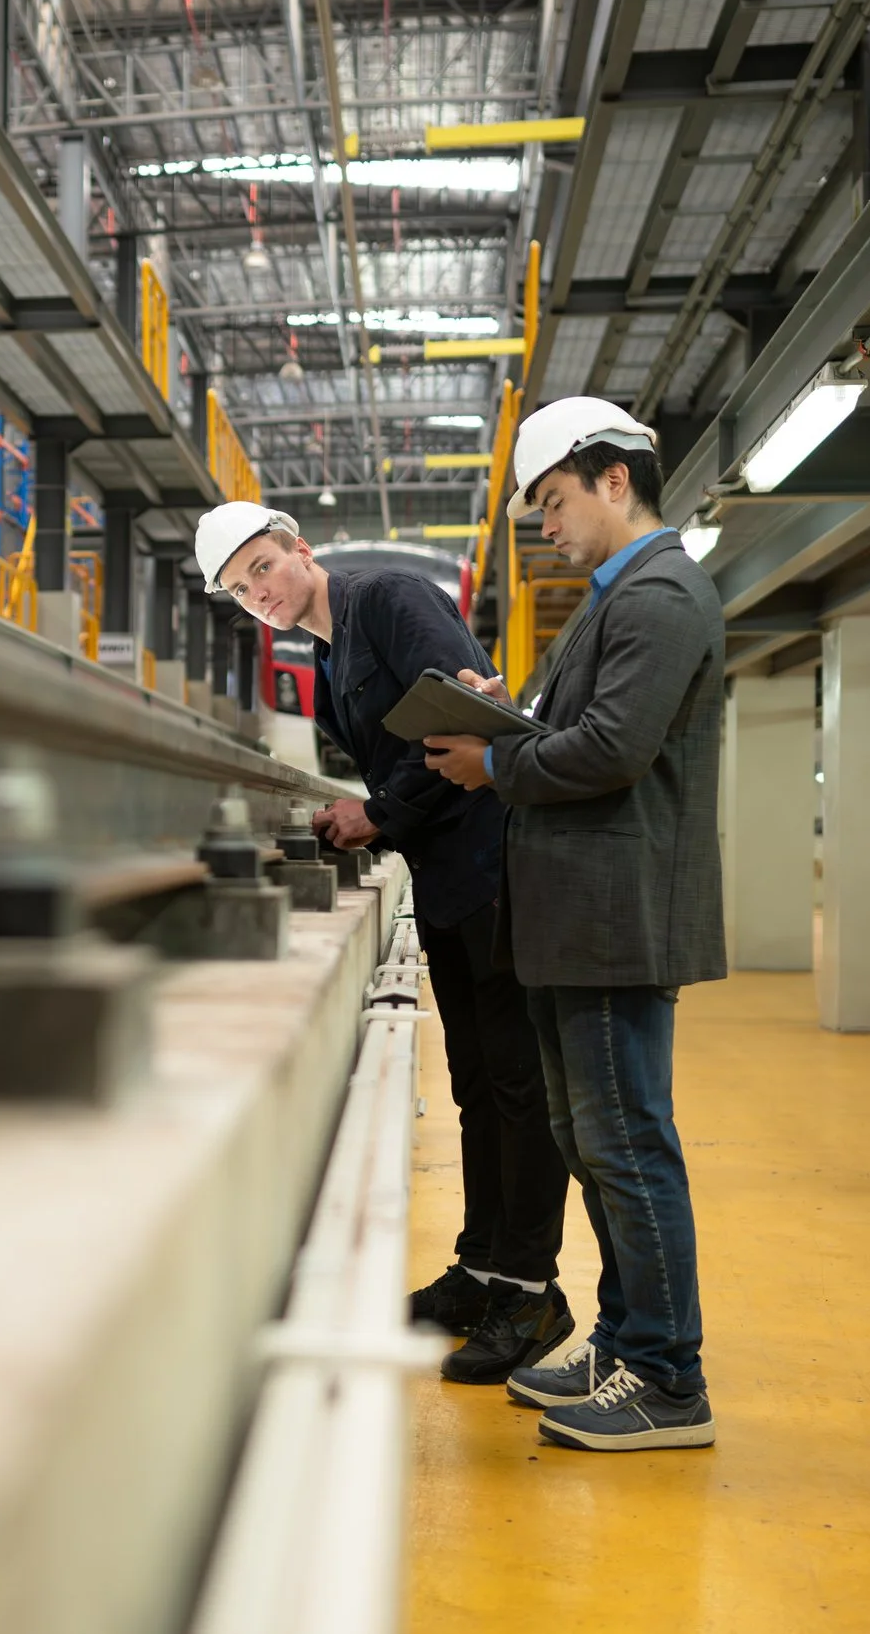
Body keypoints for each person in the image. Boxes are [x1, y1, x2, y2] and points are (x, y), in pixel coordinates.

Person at [196, 501, 571, 1386]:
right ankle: (483, 1267)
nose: (261, 595)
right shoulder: (330, 655)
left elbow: (470, 719)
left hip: (493, 872)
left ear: (300, 548)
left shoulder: (391, 598)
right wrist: (380, 816)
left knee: (518, 1085)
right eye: (242, 591)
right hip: (447, 882)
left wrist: (380, 812)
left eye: (264, 569)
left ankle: (531, 1290)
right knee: (478, 1082)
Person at [421, 396, 726, 1452]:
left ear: (611, 479)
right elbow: (581, 727)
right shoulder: (611, 601)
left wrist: (493, 760)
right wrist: (504, 711)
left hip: (611, 918)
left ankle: (668, 1379)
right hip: (569, 919)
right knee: (591, 1144)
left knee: (628, 1145)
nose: (543, 523)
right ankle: (624, 1336)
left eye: (551, 501)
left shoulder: (662, 592)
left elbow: (610, 750)